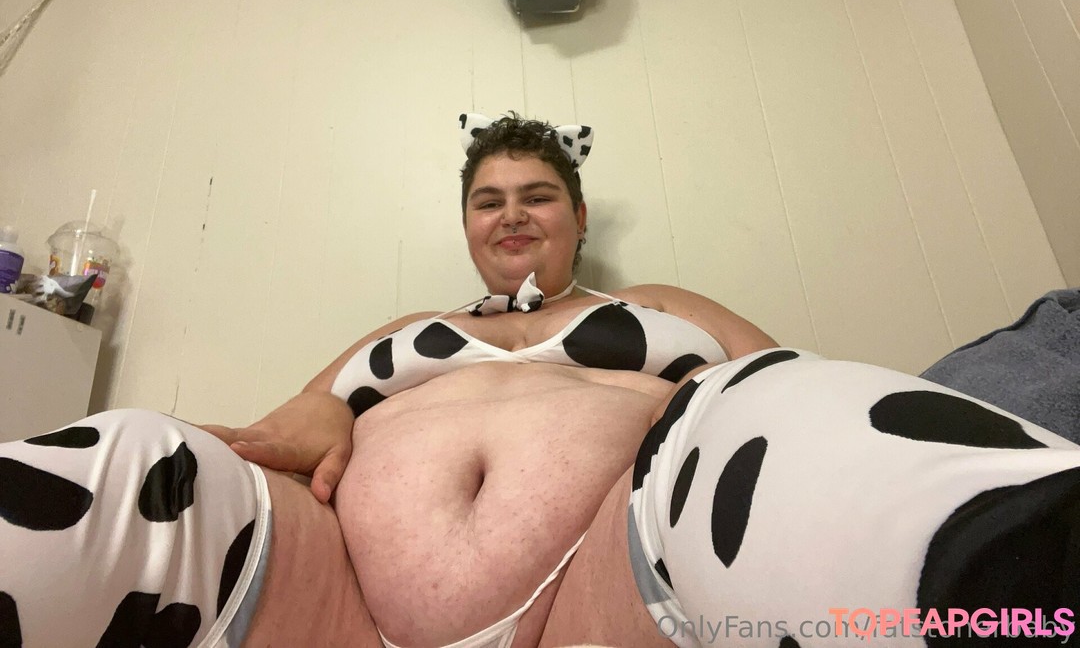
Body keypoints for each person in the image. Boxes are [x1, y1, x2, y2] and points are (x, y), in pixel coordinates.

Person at [0, 113, 775, 647]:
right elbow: (281, 432)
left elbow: (783, 397)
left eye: (537, 196)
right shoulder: (408, 328)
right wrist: (322, 416)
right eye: (489, 201)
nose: (512, 214)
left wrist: (694, 414)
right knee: (142, 452)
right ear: (468, 225)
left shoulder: (659, 306)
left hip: (608, 594)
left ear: (578, 212)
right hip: (335, 607)